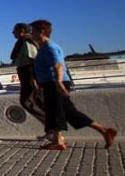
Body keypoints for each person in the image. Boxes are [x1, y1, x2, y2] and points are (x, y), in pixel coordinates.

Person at [30, 20, 117, 150]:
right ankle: (104, 130)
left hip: (54, 83)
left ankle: (57, 141)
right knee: (69, 112)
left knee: (54, 111)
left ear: (41, 31)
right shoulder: (44, 47)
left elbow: (58, 65)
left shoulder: (49, 47)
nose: (32, 34)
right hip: (52, 83)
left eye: (33, 31)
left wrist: (58, 82)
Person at [10, 23, 47, 138]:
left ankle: (52, 129)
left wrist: (33, 78)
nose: (13, 33)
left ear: (21, 30)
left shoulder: (26, 42)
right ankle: (52, 130)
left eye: (14, 30)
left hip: (29, 75)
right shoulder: (22, 42)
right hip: (26, 75)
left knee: (28, 101)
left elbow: (33, 60)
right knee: (34, 102)